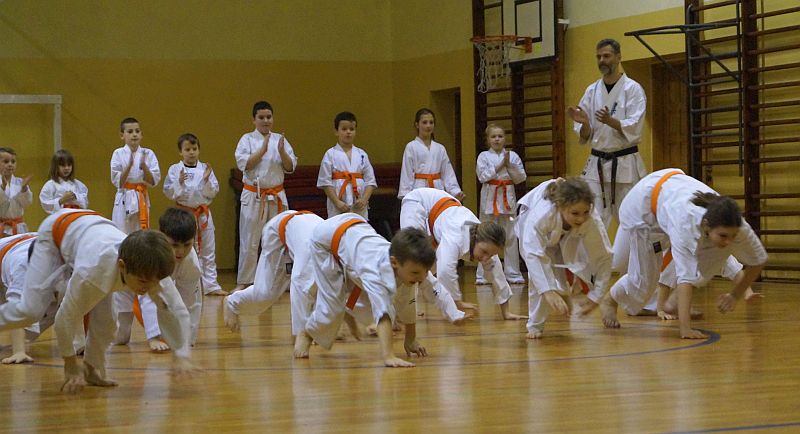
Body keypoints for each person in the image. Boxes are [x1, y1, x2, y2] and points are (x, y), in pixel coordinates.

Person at [0, 209, 200, 393]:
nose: (149, 288)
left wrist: (182, 353)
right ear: (122, 267)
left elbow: (176, 310)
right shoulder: (92, 273)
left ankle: (92, 368)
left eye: (155, 282)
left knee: (107, 321)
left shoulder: (152, 268)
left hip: (92, 228)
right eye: (143, 282)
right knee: (30, 311)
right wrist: (70, 363)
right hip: (56, 231)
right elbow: (65, 318)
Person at [599, 168, 768, 339]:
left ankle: (674, 302)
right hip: (644, 208)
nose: (728, 241)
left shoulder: (736, 223)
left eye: (732, 236)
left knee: (718, 252)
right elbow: (685, 279)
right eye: (723, 236)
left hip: (671, 192)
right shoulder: (686, 224)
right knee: (644, 283)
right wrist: (685, 329)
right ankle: (609, 300)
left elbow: (759, 260)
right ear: (706, 225)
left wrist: (735, 295)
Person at [295, 215, 469, 366]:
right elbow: (383, 315)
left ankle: (348, 311)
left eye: (424, 273)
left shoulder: (411, 264)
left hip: (355, 231)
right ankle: (306, 333)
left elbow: (429, 290)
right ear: (394, 262)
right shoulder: (376, 271)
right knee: (333, 303)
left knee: (406, 287)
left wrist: (454, 314)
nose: (420, 277)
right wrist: (388, 356)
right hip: (326, 241)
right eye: (416, 273)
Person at [400, 187, 526, 320]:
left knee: (427, 268)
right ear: (476, 237)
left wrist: (506, 312)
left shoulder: (486, 242)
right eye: (484, 252)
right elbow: (445, 271)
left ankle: (410, 305)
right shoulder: (457, 236)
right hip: (418, 202)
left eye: (490, 254)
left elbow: (497, 275)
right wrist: (457, 301)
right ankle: (405, 306)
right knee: (414, 257)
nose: (485, 258)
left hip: (442, 209)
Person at [515, 178, 612, 339]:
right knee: (539, 274)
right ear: (560, 206)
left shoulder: (590, 218)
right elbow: (533, 255)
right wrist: (547, 291)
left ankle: (563, 291)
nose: (581, 218)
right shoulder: (541, 214)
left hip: (564, 234)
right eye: (575, 213)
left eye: (585, 212)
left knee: (568, 264)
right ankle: (535, 325)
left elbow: (604, 257)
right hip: (527, 216)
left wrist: (596, 297)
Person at [567, 38, 647, 227]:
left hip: (625, 163)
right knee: (592, 220)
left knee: (631, 220)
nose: (602, 60)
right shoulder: (591, 91)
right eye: (599, 57)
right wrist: (584, 124)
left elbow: (636, 125)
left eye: (606, 56)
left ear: (618, 57)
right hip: (597, 165)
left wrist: (611, 121)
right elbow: (585, 134)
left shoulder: (632, 89)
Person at [223, 210, 324, 339]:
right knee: (265, 294)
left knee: (323, 286)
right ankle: (232, 302)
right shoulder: (311, 254)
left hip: (300, 227)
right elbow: (300, 289)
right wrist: (302, 334)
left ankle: (317, 328)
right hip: (277, 233)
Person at [114, 208, 204, 348]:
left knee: (184, 339)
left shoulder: (191, 263)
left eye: (187, 245)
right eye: (174, 245)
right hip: (127, 282)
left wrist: (187, 337)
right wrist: (154, 338)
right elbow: (147, 297)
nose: (181, 252)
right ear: (162, 236)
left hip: (147, 284)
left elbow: (190, 301)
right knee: (120, 337)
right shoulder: (152, 253)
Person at [234, 101, 297, 292]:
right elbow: (245, 165)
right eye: (261, 117)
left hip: (276, 195)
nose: (265, 120)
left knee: (279, 238)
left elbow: (290, 167)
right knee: (250, 240)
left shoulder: (280, 140)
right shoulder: (247, 139)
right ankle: (245, 281)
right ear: (254, 120)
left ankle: (280, 280)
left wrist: (281, 151)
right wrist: (262, 150)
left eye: (269, 117)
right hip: (254, 195)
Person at [163, 133, 225, 296]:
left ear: (199, 150)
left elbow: (213, 192)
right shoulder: (175, 169)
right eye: (187, 149)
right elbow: (168, 191)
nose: (191, 152)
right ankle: (182, 283)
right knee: (184, 249)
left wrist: (206, 180)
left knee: (208, 250)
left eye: (194, 149)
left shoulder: (206, 169)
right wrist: (179, 183)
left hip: (203, 213)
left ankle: (211, 285)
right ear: (180, 152)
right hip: (184, 215)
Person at [475, 124, 527, 285]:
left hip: (507, 196)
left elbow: (521, 178)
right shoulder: (483, 156)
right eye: (493, 136)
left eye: (500, 136)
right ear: (488, 140)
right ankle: (484, 274)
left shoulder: (512, 156)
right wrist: (499, 166)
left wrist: (509, 165)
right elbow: (482, 177)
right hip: (490, 197)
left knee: (510, 235)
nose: (497, 139)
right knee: (486, 234)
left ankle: (513, 272)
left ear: (505, 139)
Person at [317, 111, 377, 219]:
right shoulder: (330, 154)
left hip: (358, 204)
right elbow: (325, 182)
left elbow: (370, 181)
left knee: (359, 226)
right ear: (336, 131)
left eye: (351, 129)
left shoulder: (362, 154)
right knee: (338, 227)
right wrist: (337, 202)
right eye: (344, 129)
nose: (348, 132)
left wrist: (364, 200)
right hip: (338, 204)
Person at [397, 108, 464, 201]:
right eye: (424, 122)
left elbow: (447, 173)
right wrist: (406, 195)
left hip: (437, 188)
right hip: (419, 189)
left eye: (431, 122)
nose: (428, 126)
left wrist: (455, 191)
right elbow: (407, 173)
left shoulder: (440, 148)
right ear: (417, 125)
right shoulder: (411, 147)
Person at [110, 117, 161, 233]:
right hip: (123, 197)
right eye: (130, 131)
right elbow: (118, 182)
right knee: (121, 233)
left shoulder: (148, 153)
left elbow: (153, 181)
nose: (134, 134)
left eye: (137, 131)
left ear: (141, 134)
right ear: (122, 135)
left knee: (141, 234)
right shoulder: (118, 153)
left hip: (141, 197)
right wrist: (129, 166)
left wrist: (144, 166)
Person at [39, 149, 89, 214]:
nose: (66, 168)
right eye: (63, 165)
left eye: (69, 165)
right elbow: (45, 203)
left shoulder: (78, 184)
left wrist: (75, 196)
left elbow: (85, 202)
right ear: (55, 167)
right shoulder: (50, 185)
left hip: (76, 215)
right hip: (59, 215)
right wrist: (61, 201)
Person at [0, 147, 33, 236]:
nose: (10, 164)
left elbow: (26, 203)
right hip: (2, 227)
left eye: (13, 162)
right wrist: (2, 187)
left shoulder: (20, 182)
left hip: (18, 226)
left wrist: (24, 189)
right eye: (6, 161)